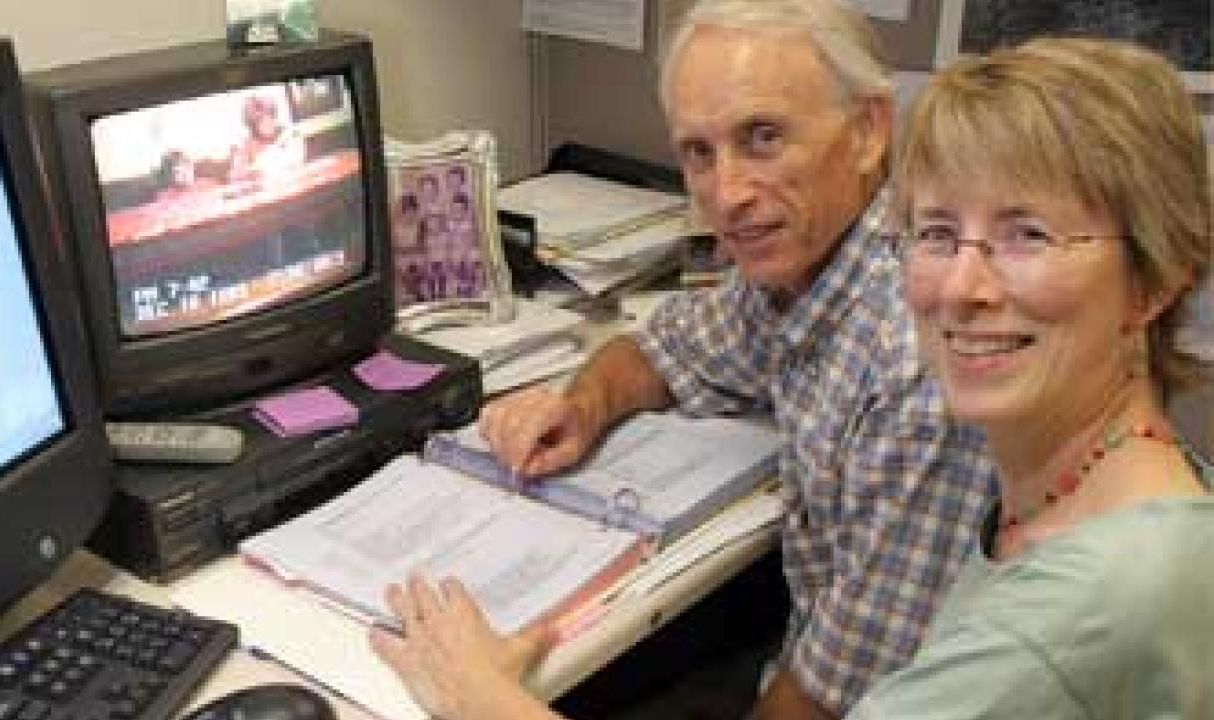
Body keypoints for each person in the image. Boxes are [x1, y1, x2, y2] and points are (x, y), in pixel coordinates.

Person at [371, 1, 996, 718]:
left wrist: (482, 702)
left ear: (868, 131)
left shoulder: (918, 361)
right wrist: (580, 405)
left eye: (763, 138)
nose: (726, 195)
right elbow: (663, 349)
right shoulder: (807, 272)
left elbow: (831, 706)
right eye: (700, 152)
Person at [845, 36, 1213, 718]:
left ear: (1153, 280)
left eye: (1029, 235)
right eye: (936, 232)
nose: (961, 287)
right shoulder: (1135, 487)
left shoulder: (1071, 618)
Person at [228, 94, 305, 182]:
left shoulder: (290, 134)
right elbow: (234, 177)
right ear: (252, 125)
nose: (267, 121)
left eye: (269, 114)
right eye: (258, 119)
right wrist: (243, 172)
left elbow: (298, 162)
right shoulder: (246, 146)